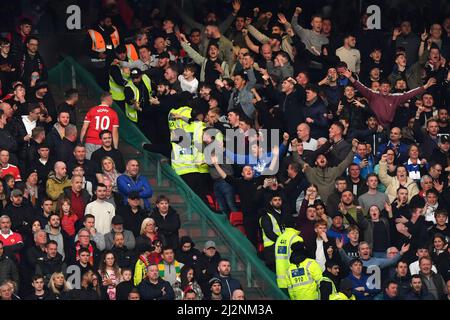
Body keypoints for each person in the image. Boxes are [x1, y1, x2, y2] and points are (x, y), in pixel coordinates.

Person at [341, 68, 436, 127]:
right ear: (379, 88)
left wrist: (425, 86)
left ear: (390, 88)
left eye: (387, 87)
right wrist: (350, 77)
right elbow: (361, 87)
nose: (385, 88)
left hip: (388, 127)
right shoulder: (373, 94)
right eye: (383, 86)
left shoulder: (395, 97)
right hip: (374, 125)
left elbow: (410, 94)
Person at [80, 92, 119, 159]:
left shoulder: (92, 110)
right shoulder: (113, 113)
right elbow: (114, 132)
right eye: (112, 99)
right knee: (103, 164)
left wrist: (81, 141)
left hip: (90, 142)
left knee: (90, 164)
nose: (112, 101)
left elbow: (84, 127)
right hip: (103, 143)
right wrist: (115, 147)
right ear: (108, 99)